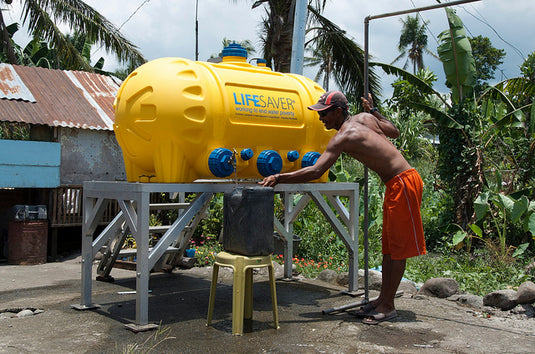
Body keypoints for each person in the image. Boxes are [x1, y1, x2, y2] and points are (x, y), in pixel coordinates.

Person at [259, 90, 426, 325]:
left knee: (397, 248)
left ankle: (388, 306)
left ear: (338, 111)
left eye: (324, 114)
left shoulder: (344, 136)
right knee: (389, 246)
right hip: (396, 183)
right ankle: (382, 300)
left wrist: (278, 177)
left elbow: (317, 171)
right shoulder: (365, 118)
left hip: (404, 183)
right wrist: (373, 109)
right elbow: (393, 130)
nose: (321, 119)